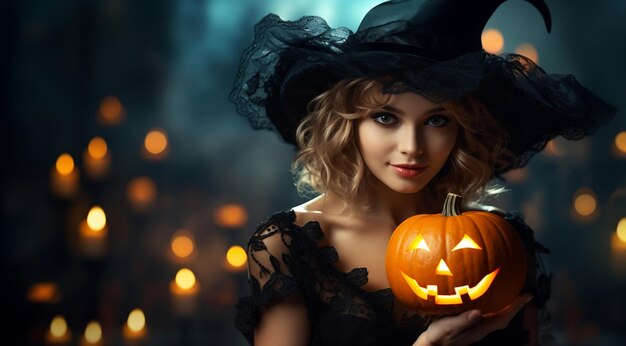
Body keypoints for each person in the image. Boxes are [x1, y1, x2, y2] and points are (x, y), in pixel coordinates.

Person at [230, 0, 616, 345]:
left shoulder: (504, 244)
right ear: (347, 123)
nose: (412, 146)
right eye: (386, 117)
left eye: (436, 120)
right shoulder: (287, 246)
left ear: (462, 129)